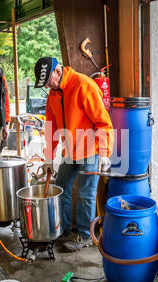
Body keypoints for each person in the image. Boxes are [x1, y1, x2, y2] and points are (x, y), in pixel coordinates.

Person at [35, 57, 113, 252]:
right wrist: (49, 157)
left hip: (90, 150)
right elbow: (50, 128)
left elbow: (103, 123)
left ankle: (86, 235)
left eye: (48, 81)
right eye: (44, 84)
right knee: (61, 188)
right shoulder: (53, 94)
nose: (47, 86)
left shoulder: (83, 85)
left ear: (58, 71)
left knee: (86, 194)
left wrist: (104, 153)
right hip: (69, 151)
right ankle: (67, 229)